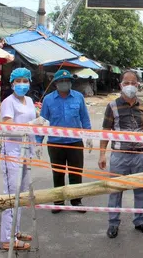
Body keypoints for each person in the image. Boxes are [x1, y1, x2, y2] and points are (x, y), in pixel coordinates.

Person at [98, 70, 143, 238]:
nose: (130, 86)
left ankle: (140, 221)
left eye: (133, 83)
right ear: (120, 85)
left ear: (138, 85)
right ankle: (113, 223)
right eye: (126, 83)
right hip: (119, 156)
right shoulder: (112, 106)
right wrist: (102, 154)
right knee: (115, 190)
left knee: (141, 190)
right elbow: (106, 131)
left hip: (140, 155)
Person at [39, 69, 92, 213]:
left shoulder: (78, 97)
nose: (64, 83)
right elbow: (42, 121)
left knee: (76, 172)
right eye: (61, 81)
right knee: (58, 173)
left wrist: (89, 136)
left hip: (75, 142)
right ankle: (59, 201)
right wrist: (38, 142)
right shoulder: (48, 99)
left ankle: (76, 201)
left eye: (67, 81)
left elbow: (84, 117)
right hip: (56, 143)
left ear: (70, 83)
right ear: (55, 84)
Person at [0, 68, 36, 251]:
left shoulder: (29, 100)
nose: (22, 84)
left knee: (21, 194)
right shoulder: (8, 102)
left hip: (26, 151)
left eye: (25, 80)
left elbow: (33, 121)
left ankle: (15, 230)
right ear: (13, 83)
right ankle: (7, 238)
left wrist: (39, 125)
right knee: (11, 193)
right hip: (12, 152)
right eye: (19, 80)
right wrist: (28, 126)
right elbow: (7, 126)